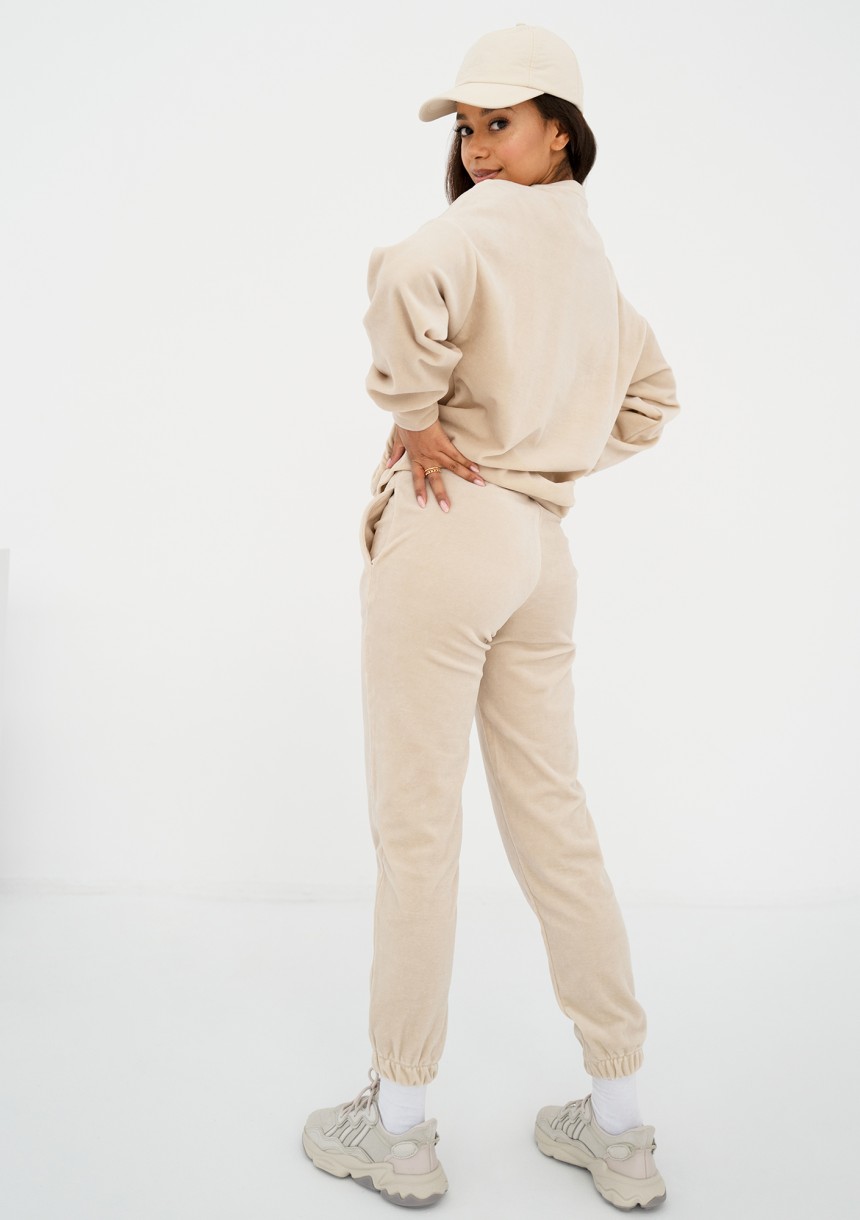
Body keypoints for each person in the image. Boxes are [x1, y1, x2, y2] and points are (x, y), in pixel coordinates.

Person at [302, 23, 680, 1212]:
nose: (474, 146)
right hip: (537, 550)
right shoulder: (589, 259)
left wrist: (418, 416)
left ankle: (400, 1128)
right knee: (555, 823)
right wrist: (544, 457)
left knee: (418, 833)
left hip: (447, 527)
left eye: (498, 123)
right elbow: (650, 399)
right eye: (465, 126)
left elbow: (399, 275)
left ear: (559, 131)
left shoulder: (470, 232)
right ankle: (618, 1126)